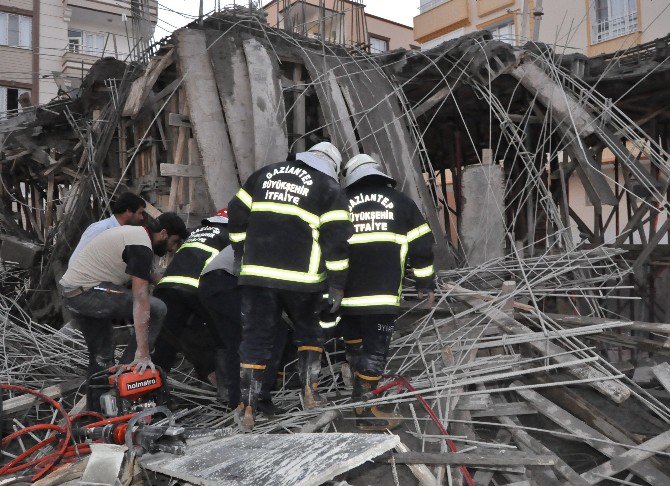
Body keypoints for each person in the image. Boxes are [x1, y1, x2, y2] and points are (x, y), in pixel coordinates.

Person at [228, 142, 353, 429]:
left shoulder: (264, 175)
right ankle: (310, 395)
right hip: (303, 281)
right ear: (332, 166)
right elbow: (336, 241)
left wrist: (239, 251)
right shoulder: (328, 188)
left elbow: (235, 212)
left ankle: (247, 407)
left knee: (256, 338)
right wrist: (337, 285)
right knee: (310, 332)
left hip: (257, 275)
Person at [340, 154, 435, 431]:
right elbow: (423, 245)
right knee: (375, 352)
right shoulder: (401, 202)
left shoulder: (339, 204)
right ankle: (365, 411)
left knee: (355, 347)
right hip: (381, 298)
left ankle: (357, 401)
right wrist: (424, 284)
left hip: (343, 298)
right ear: (378, 173)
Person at [60, 213, 187, 410]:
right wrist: (143, 353)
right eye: (174, 241)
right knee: (157, 308)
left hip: (75, 292)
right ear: (163, 233)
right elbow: (141, 300)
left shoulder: (134, 235)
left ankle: (99, 412)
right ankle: (130, 369)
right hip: (89, 292)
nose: (173, 248)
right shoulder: (141, 245)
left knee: (102, 357)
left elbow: (145, 274)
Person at [198, 246, 288, 416]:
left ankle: (238, 403)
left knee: (236, 343)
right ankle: (260, 399)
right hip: (228, 282)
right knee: (274, 330)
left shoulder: (264, 227)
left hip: (209, 283)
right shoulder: (287, 237)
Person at [151, 209, 231, 384]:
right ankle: (228, 388)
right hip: (197, 288)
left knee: (167, 343)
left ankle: (151, 392)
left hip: (166, 287)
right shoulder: (231, 234)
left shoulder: (196, 232)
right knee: (224, 335)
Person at [69, 192, 146, 265]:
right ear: (128, 211)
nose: (142, 218)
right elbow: (75, 261)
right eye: (140, 213)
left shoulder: (123, 233)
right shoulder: (101, 229)